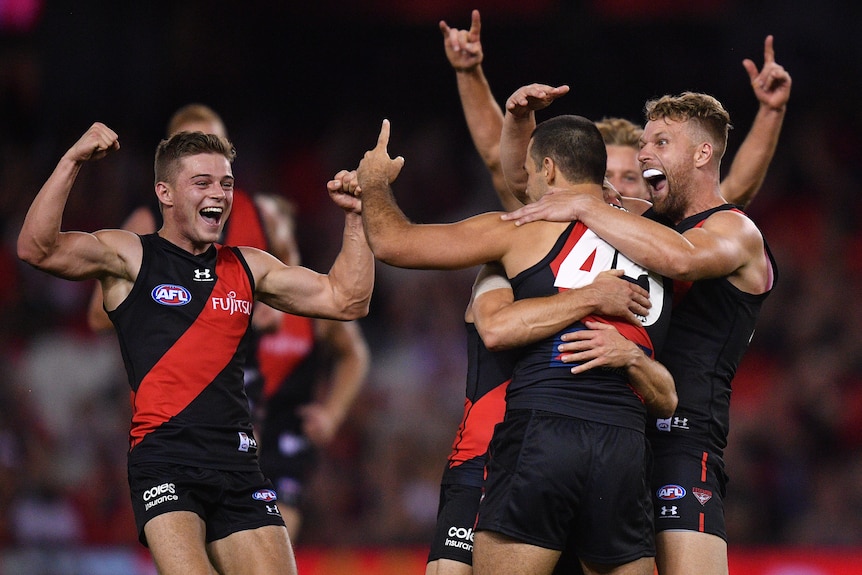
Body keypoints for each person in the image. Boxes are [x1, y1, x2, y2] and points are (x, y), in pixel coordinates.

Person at [17, 123, 374, 575]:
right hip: (166, 459)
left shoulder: (247, 266)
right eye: (202, 183)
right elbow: (37, 248)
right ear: (164, 193)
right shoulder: (131, 256)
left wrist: (357, 216)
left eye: (226, 183)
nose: (220, 194)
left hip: (239, 464)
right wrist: (72, 161)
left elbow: (347, 299)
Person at [338, 114, 675, 575]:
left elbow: (394, 243)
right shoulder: (661, 238)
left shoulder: (525, 227)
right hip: (626, 444)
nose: (527, 187)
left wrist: (373, 182)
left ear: (550, 170)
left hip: (542, 430)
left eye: (532, 173)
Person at [501, 91, 779, 575]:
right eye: (645, 141)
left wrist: (589, 207)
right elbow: (527, 186)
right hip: (616, 433)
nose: (645, 152)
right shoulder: (639, 223)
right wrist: (518, 121)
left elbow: (681, 259)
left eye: (661, 142)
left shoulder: (735, 232)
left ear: (702, 154)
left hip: (682, 443)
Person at [429, 15, 653, 575]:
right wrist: (475, 77)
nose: (616, 191)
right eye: (611, 176)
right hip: (497, 455)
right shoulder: (528, 237)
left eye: (632, 180)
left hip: (602, 462)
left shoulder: (654, 255)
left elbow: (722, 209)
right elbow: (503, 164)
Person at [249, 192, 370, 541]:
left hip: (289, 431)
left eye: (271, 222)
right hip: (238, 429)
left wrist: (332, 413)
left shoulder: (314, 295)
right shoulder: (233, 292)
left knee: (278, 533)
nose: (265, 231)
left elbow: (354, 355)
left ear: (288, 228)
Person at [87, 103, 269, 332]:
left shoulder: (254, 215)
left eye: (214, 145)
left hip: (241, 365)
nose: (206, 158)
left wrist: (268, 309)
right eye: (192, 148)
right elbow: (99, 316)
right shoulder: (147, 223)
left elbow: (278, 303)